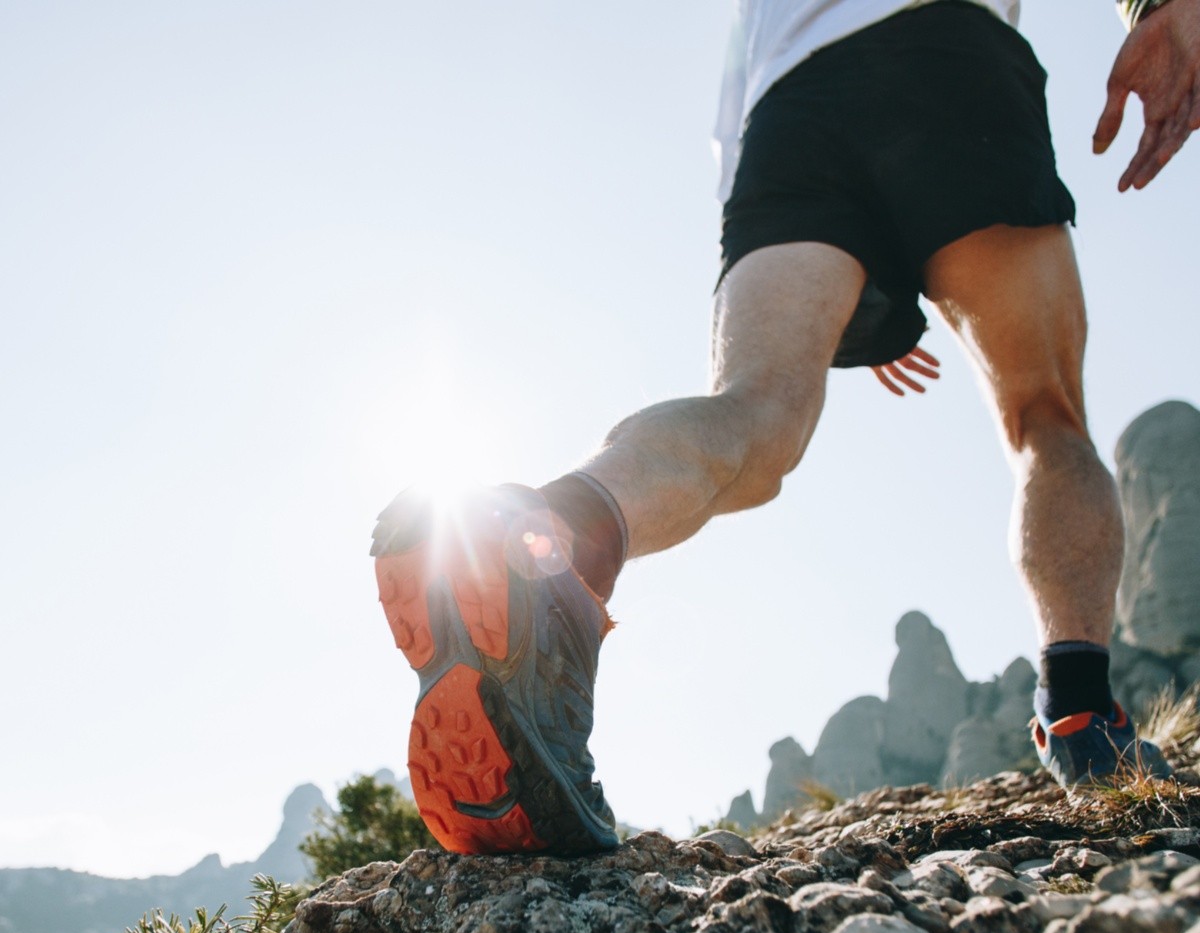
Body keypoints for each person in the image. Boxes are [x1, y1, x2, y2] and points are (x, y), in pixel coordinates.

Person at [372, 0, 1200, 855]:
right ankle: (1081, 714)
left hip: (790, 108)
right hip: (947, 53)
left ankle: (544, 536)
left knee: (755, 417)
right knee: (1044, 417)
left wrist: (848, 280)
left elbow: (733, 113)